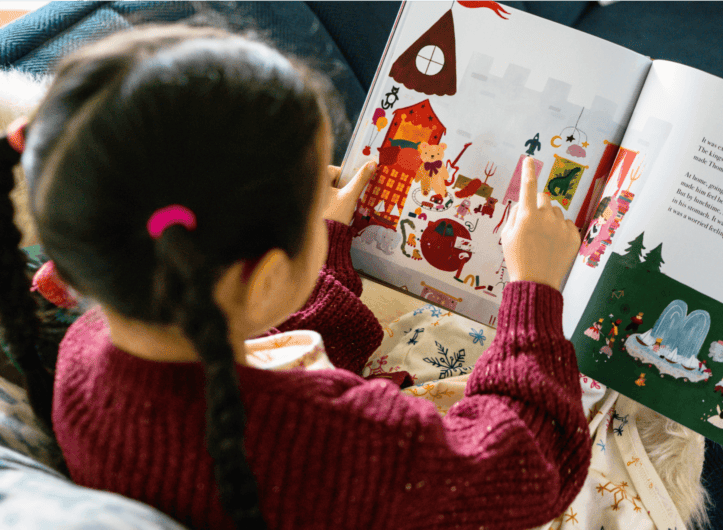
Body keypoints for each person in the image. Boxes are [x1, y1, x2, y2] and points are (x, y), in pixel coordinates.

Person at [0, 25, 589, 530]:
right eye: (310, 204)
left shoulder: (88, 344)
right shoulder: (338, 442)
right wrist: (533, 289)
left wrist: (324, 242)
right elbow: (530, 465)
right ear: (264, 281)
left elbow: (261, 350)